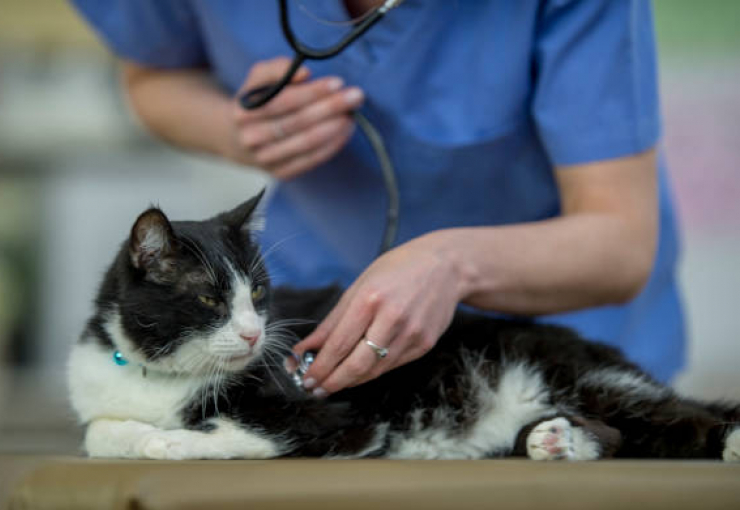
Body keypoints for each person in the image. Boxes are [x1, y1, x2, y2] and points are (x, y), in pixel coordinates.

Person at [71, 0, 684, 398]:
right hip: (317, 339)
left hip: (553, 354)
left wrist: (451, 264)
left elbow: (619, 244)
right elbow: (151, 75)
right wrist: (238, 129)